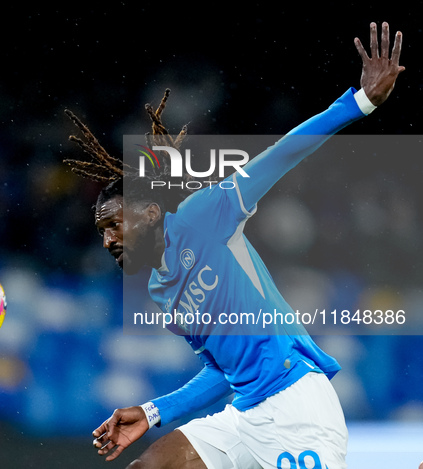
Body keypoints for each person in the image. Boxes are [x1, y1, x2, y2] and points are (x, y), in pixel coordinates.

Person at [64, 21, 404, 469]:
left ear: (149, 214)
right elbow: (222, 371)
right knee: (150, 466)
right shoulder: (162, 293)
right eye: (101, 232)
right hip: (244, 416)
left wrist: (358, 104)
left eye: (113, 225)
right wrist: (153, 412)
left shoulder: (204, 217)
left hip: (296, 406)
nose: (107, 240)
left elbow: (282, 152)